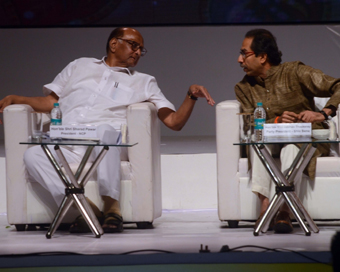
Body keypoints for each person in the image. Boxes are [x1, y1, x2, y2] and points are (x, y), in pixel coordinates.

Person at [0, 27, 215, 233]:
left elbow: (173, 121)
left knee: (105, 130)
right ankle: (85, 209)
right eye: (133, 45)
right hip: (68, 140)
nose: (138, 52)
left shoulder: (144, 81)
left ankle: (112, 208)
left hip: (107, 144)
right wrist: (16, 98)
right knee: (33, 154)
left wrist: (190, 96)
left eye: (141, 49)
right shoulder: (79, 66)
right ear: (114, 44)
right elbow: (50, 102)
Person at [235, 28, 340, 233]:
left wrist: (325, 113)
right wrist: (275, 120)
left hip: (303, 140)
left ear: (262, 57)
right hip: (269, 141)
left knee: (291, 148)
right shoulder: (244, 87)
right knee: (258, 145)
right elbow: (249, 123)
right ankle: (266, 208)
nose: (239, 60)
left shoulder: (294, 72)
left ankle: (284, 210)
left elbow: (338, 85)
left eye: (244, 54)